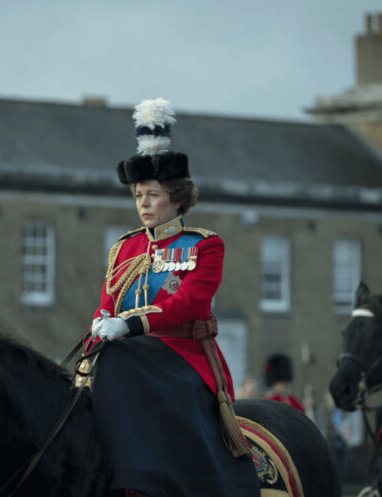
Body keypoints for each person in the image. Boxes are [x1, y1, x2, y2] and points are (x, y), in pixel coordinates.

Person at [88, 98, 259, 497]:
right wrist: (101, 321)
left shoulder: (205, 245)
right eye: (138, 196)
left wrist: (128, 325)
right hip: (128, 355)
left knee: (118, 363)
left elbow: (188, 305)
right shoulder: (125, 248)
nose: (143, 204)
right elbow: (108, 299)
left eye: (152, 194)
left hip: (184, 357)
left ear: (177, 198)